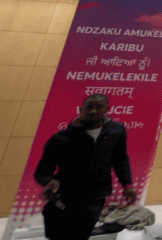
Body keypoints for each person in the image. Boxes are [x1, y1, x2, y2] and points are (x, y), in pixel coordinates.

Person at [34, 93, 137, 240]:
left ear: (107, 109)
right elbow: (42, 172)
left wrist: (127, 184)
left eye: (98, 107)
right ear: (81, 110)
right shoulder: (60, 139)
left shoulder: (117, 131)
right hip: (64, 198)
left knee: (80, 236)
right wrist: (50, 182)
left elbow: (120, 159)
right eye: (89, 107)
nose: (93, 111)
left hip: (96, 197)